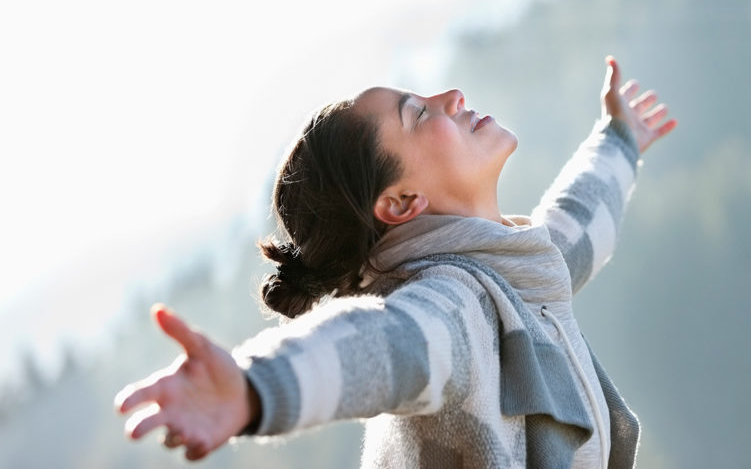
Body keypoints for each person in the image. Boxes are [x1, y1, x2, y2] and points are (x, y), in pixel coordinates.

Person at [114, 56, 676, 468]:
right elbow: (381, 344)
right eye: (417, 113)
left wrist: (620, 142)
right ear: (402, 203)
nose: (452, 97)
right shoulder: (454, 306)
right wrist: (255, 388)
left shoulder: (511, 277)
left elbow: (572, 233)